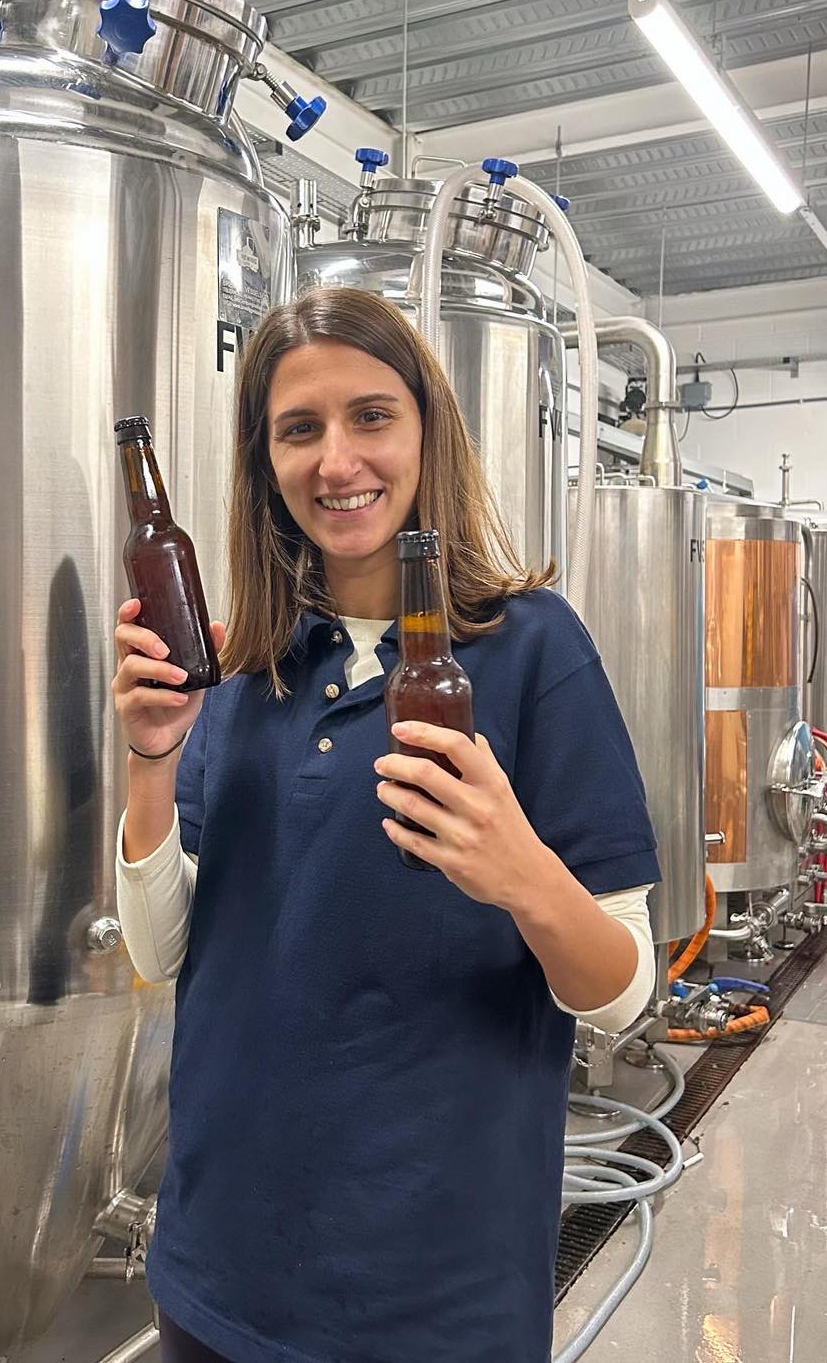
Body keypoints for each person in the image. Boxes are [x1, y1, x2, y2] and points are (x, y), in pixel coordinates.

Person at [111, 288, 659, 1363]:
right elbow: (160, 950)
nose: (337, 461)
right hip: (220, 1270)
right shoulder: (245, 668)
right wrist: (151, 758)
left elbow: (623, 991)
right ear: (265, 462)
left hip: (434, 1294)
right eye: (298, 429)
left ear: (425, 430)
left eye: (371, 416)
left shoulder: (533, 652)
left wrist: (522, 875)